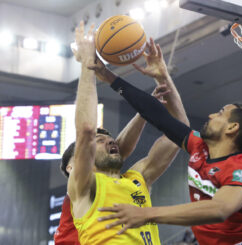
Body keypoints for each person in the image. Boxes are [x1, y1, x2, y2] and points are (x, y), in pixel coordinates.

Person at [92, 36, 242, 244]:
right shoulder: (200, 147)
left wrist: (147, 214)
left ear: (232, 128)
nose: (211, 116)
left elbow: (220, 209)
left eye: (220, 114)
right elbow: (157, 115)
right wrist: (110, 77)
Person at [60, 21, 189, 245]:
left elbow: (180, 131)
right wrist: (87, 65)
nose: (110, 139)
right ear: (71, 167)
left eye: (109, 138)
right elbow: (87, 131)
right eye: (100, 141)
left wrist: (162, 76)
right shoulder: (83, 186)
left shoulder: (137, 179)